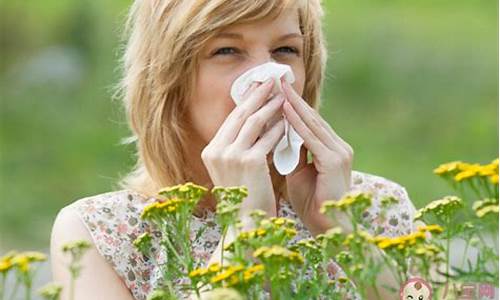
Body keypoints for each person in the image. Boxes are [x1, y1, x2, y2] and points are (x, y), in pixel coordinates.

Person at [50, 1, 420, 299]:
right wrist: (244, 228)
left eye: (285, 49)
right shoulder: (101, 233)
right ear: (170, 79)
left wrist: (343, 231)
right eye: (227, 50)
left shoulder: (376, 205)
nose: (269, 75)